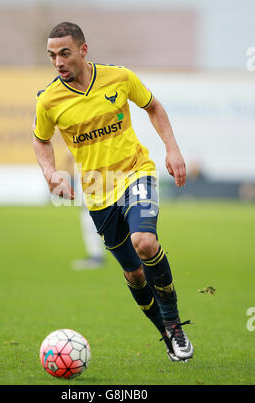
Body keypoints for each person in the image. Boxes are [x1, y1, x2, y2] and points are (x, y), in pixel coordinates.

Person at [32, 22, 193, 362]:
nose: (58, 62)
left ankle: (175, 325)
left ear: (83, 50)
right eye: (51, 56)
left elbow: (153, 107)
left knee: (145, 242)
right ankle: (164, 333)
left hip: (136, 172)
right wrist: (50, 173)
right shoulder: (48, 100)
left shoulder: (119, 77)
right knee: (133, 272)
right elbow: (40, 139)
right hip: (96, 191)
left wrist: (172, 149)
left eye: (64, 53)